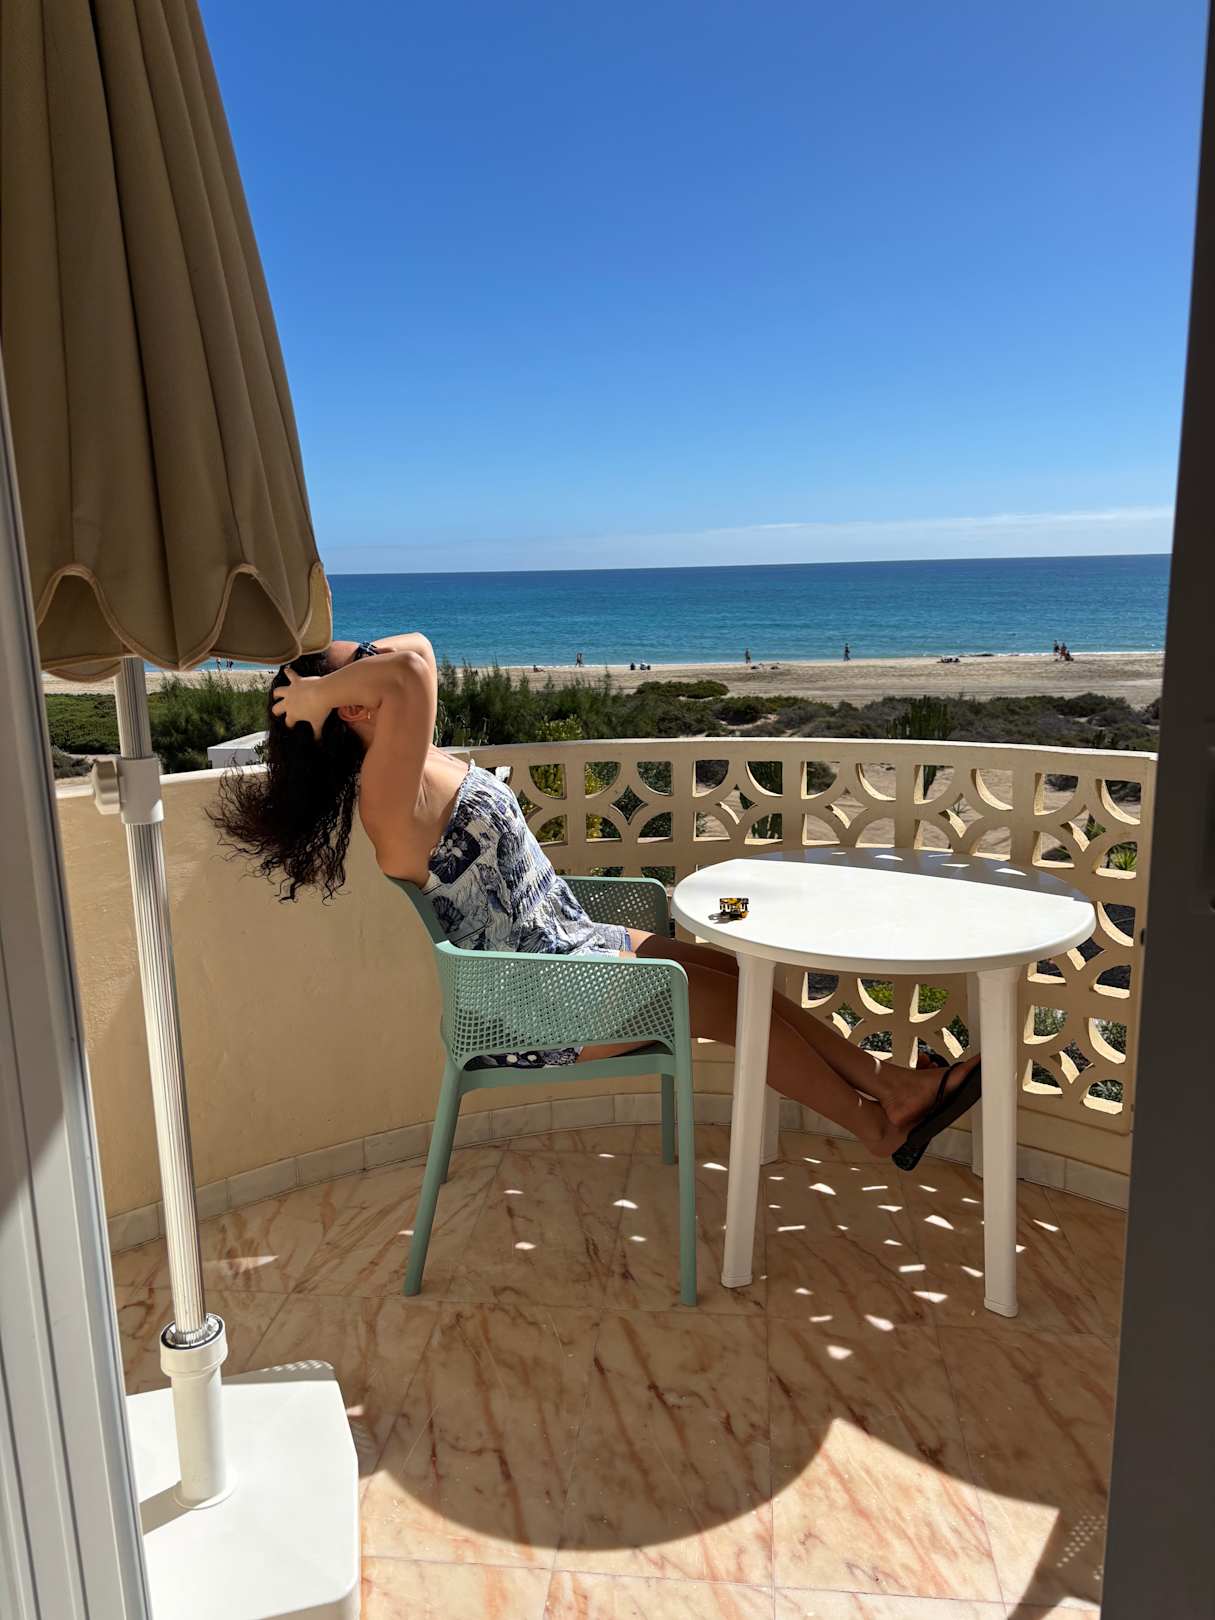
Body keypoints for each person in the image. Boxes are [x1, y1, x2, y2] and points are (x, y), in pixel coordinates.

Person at [212, 634, 980, 1164]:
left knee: (737, 972)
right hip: (535, 1005)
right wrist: (319, 687)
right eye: (363, 661)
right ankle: (876, 1129)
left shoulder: (415, 755)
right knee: (730, 1006)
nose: (378, 656)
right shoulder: (386, 793)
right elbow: (408, 672)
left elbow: (417, 653)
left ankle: (891, 1085)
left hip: (572, 954)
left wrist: (329, 680)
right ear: (354, 706)